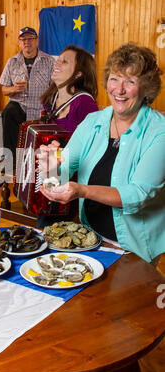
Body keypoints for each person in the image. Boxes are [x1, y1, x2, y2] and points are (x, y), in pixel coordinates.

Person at [38, 43, 165, 263]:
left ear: (146, 88)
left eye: (131, 81)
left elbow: (137, 194)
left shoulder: (159, 132)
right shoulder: (93, 122)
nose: (120, 89)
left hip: (135, 251)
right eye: (115, 79)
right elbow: (64, 171)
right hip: (91, 241)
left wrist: (83, 191)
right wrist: (51, 165)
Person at [37, 44, 98, 228]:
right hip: (51, 173)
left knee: (49, 226)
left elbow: (93, 148)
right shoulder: (52, 100)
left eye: (65, 61)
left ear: (78, 74)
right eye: (58, 58)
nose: (57, 63)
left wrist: (60, 152)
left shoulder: (85, 103)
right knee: (44, 220)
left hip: (72, 179)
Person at [0, 27, 54, 164]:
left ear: (37, 41)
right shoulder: (12, 62)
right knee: (8, 112)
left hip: (40, 108)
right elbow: (4, 90)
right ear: (19, 43)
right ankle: (11, 163)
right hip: (20, 106)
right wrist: (14, 89)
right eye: (23, 39)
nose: (27, 42)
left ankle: (37, 165)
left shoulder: (49, 61)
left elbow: (55, 88)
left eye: (30, 39)